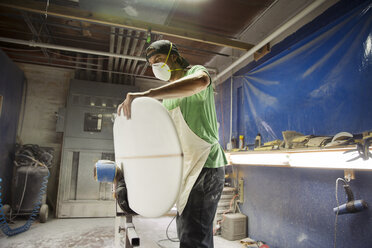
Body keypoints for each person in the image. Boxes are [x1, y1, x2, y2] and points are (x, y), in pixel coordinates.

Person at [117, 40, 227, 248]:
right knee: (190, 231)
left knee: (193, 235)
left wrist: (147, 94)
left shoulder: (195, 73)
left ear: (174, 57)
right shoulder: (167, 98)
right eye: (151, 63)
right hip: (187, 168)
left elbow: (201, 82)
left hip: (206, 165)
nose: (155, 65)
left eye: (158, 59)